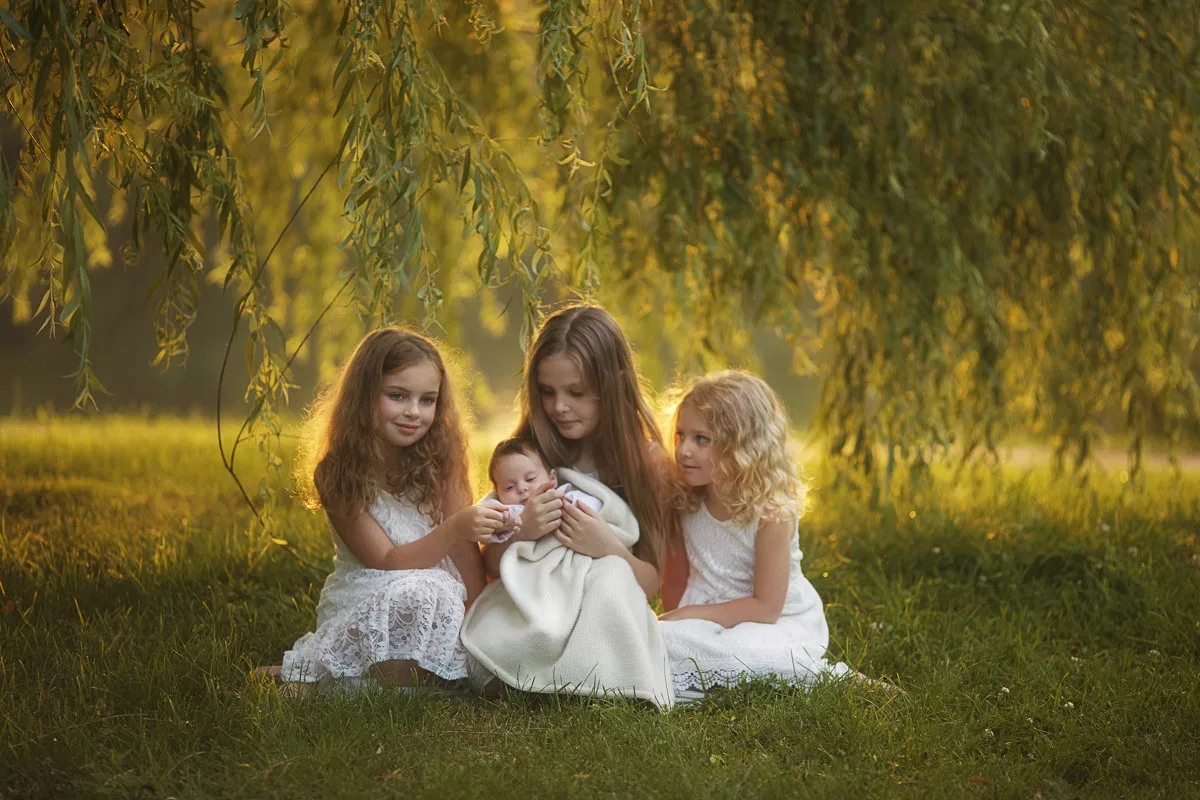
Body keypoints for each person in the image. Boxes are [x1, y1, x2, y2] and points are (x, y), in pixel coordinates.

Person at [460, 305, 677, 708]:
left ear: (612, 386)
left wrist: (607, 546)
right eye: (547, 392)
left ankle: (585, 677)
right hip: (538, 605)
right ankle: (531, 671)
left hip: (603, 605)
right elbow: (491, 565)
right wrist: (524, 529)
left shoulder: (647, 463)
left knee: (611, 574)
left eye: (576, 392)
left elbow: (649, 582)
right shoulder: (531, 458)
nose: (559, 407)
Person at [264, 328, 502, 690]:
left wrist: (478, 619)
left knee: (449, 605)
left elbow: (465, 557)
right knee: (421, 592)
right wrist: (454, 527)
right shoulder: (338, 472)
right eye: (397, 396)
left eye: (428, 400)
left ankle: (367, 679)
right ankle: (329, 676)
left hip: (443, 600)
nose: (413, 412)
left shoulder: (443, 461)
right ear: (364, 396)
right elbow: (387, 560)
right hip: (374, 594)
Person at [659, 371, 852, 696]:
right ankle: (719, 673)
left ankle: (824, 674)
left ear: (742, 446)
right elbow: (675, 579)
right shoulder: (686, 497)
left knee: (747, 648)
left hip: (769, 623)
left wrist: (690, 614)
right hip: (706, 617)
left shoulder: (772, 511)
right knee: (659, 640)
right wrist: (676, 620)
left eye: (701, 439)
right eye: (681, 435)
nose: (683, 451)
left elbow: (766, 608)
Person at [486, 437, 602, 543]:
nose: (521, 488)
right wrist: (502, 526)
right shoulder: (504, 511)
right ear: (497, 493)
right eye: (509, 487)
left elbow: (596, 508)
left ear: (552, 478)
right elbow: (486, 532)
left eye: (530, 479)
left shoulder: (562, 497)